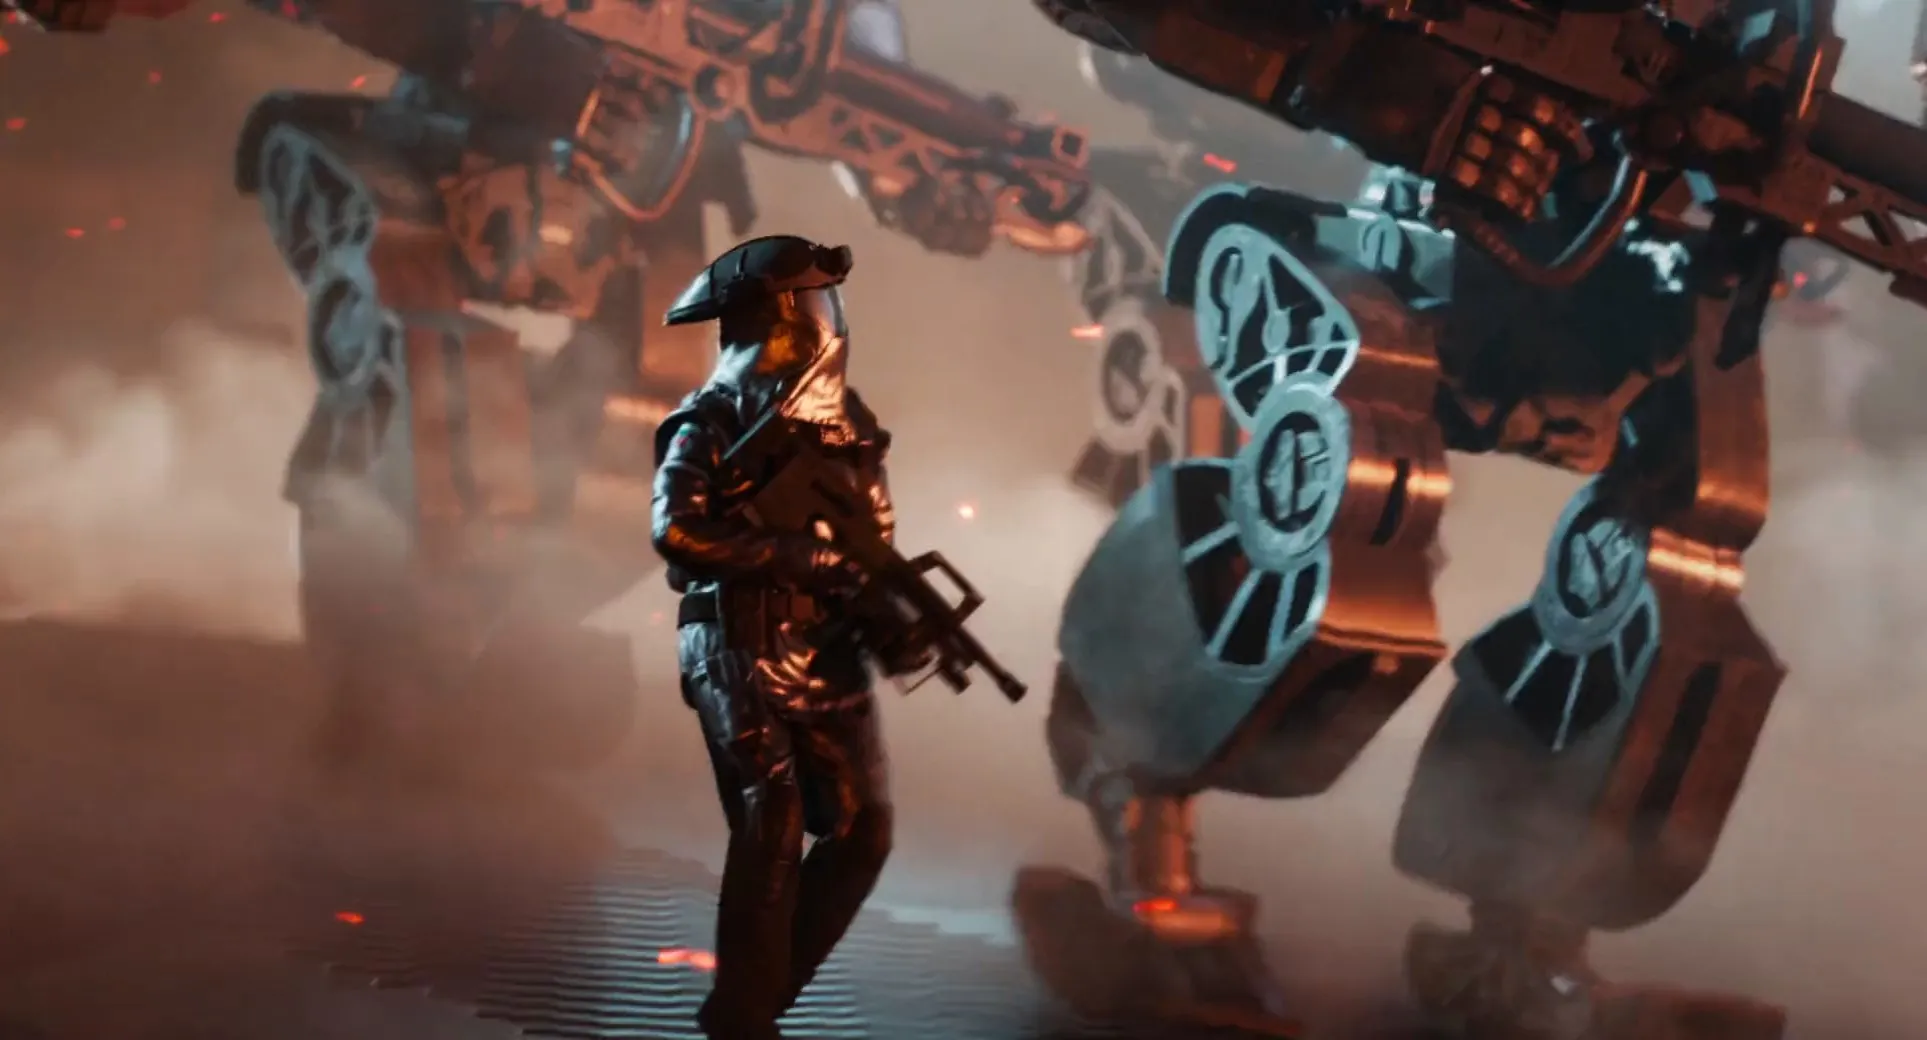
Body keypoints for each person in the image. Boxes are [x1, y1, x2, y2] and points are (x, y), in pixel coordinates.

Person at [649, 234, 918, 1039]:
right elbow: (677, 531)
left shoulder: (849, 422)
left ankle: (753, 1004)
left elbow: (872, 544)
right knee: (772, 820)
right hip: (738, 641)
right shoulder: (710, 417)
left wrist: (890, 622)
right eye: (811, 300)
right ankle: (743, 1018)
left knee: (864, 833)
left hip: (823, 648)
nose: (825, 318)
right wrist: (798, 557)